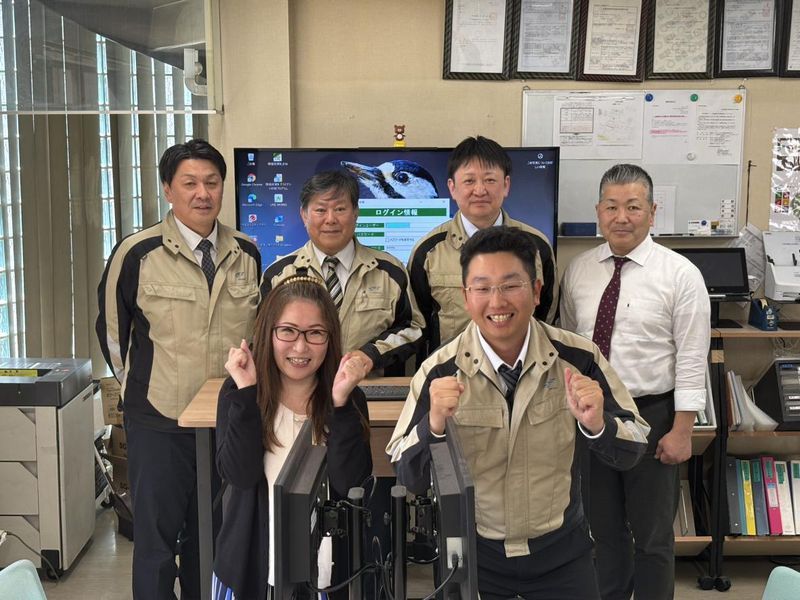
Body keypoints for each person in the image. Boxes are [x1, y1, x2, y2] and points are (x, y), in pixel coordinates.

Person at [387, 226, 650, 600]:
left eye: (511, 285)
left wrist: (597, 425)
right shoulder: (439, 370)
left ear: (537, 291)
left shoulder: (578, 358)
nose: (497, 302)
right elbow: (406, 474)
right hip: (475, 553)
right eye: (482, 288)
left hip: (562, 551)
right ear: (466, 296)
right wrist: (434, 426)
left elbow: (634, 444)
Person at [96, 139, 262, 599]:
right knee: (156, 541)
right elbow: (112, 332)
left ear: (223, 187)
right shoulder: (137, 252)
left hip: (225, 421)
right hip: (159, 420)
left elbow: (254, 333)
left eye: (212, 182)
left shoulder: (247, 252)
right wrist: (138, 390)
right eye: (190, 183)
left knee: (213, 536)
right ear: (168, 189)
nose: (202, 193)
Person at [560, 164, 711, 600]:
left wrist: (683, 430)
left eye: (633, 207)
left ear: (652, 212)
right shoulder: (579, 270)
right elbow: (570, 347)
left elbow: (692, 359)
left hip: (653, 417)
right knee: (602, 533)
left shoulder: (680, 274)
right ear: (598, 211)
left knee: (652, 538)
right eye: (611, 207)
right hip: (595, 417)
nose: (621, 217)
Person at [211, 276, 372, 599]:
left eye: (315, 333)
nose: (300, 347)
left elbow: (351, 484)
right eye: (287, 331)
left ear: (330, 338)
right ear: (267, 332)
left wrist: (340, 405)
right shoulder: (240, 391)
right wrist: (246, 394)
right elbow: (239, 476)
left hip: (327, 573)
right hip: (252, 569)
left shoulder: (348, 397)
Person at [407, 136, 559, 361]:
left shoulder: (537, 246)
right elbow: (419, 326)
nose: (479, 190)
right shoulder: (429, 251)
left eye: (489, 180)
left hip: (522, 368)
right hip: (453, 370)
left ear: (506, 185)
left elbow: (547, 316)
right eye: (469, 181)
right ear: (452, 188)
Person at [261, 169, 424, 375]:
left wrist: (371, 355)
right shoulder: (279, 275)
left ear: (355, 213)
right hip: (299, 387)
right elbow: (263, 338)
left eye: (340, 209)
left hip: (369, 387)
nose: (330, 219)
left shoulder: (389, 271)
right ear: (304, 215)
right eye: (320, 210)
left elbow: (413, 328)